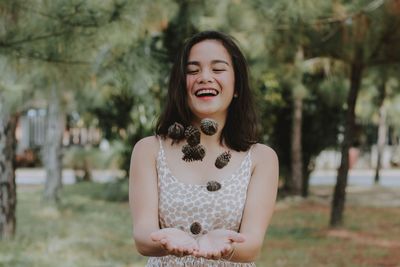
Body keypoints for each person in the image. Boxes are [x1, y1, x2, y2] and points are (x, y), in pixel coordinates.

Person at [129, 30, 279, 266]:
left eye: (218, 69)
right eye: (192, 71)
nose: (205, 77)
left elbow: (252, 246)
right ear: (181, 85)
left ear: (237, 85)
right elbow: (142, 237)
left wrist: (222, 247)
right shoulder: (148, 150)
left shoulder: (261, 158)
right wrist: (169, 242)